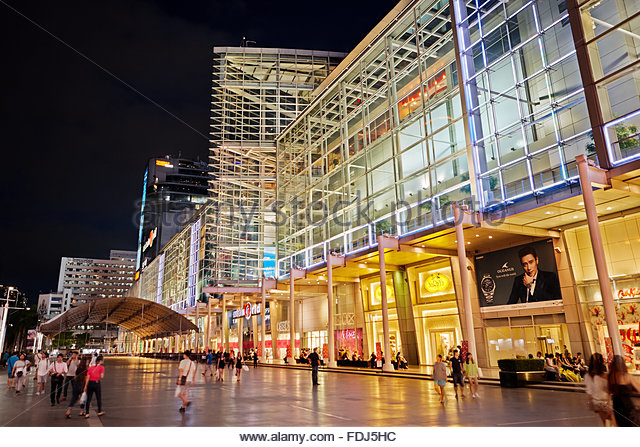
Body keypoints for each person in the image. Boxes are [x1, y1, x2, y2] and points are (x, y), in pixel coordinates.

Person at [608, 355, 640, 427]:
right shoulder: (626, 376)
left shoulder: (610, 377)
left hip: (616, 406)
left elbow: (609, 394)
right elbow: (638, 388)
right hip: (627, 406)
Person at [584, 353, 613, 426]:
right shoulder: (605, 376)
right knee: (611, 422)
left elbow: (589, 391)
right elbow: (609, 390)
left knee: (605, 422)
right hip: (607, 401)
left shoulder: (588, 376)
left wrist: (590, 402)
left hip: (596, 402)